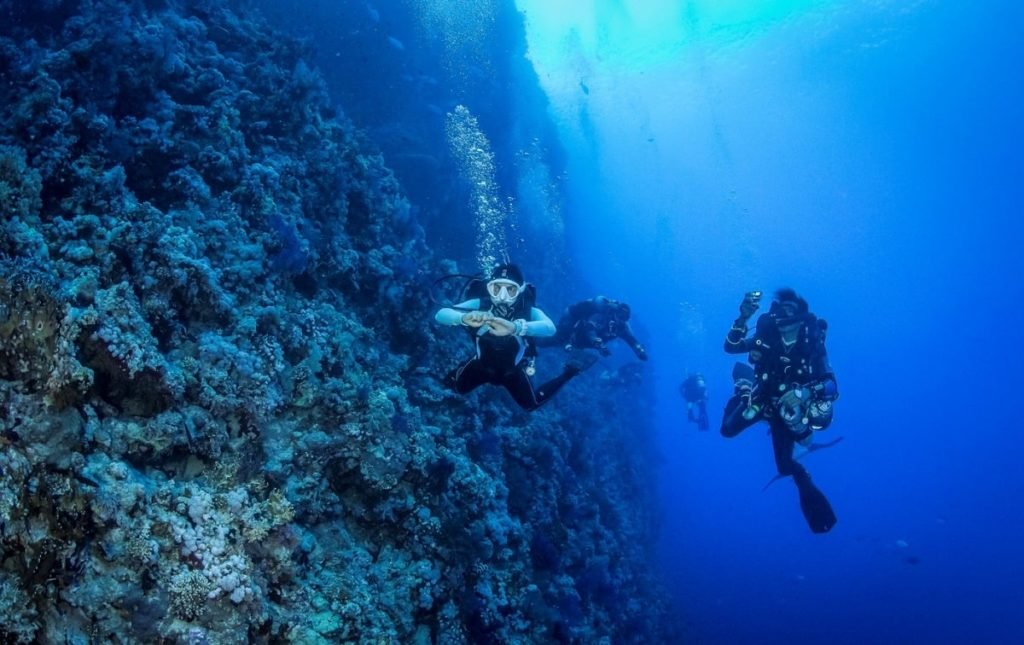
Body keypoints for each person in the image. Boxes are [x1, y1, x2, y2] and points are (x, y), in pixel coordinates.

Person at [720, 289, 840, 533]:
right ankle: (742, 389)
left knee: (785, 466)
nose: (781, 315)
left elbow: (831, 386)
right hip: (762, 398)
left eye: (788, 310)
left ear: (801, 316)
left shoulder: (812, 345)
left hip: (785, 410)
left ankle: (804, 481)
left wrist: (804, 393)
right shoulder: (767, 335)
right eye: (778, 309)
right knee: (727, 430)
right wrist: (743, 318)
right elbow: (730, 347)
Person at [434, 263, 585, 411]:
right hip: (480, 365)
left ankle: (567, 374)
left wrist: (516, 327)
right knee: (457, 388)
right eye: (496, 289)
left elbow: (550, 328)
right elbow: (441, 314)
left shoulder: (527, 311)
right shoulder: (481, 304)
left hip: (512, 373)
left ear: (520, 290)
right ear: (489, 288)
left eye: (511, 290)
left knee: (531, 405)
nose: (502, 297)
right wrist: (464, 318)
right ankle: (460, 369)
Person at [548, 296, 648, 361]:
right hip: (574, 334)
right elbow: (589, 328)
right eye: (620, 316)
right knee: (549, 339)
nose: (620, 320)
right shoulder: (602, 315)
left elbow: (631, 340)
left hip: (582, 343)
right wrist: (598, 344)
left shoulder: (622, 327)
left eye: (624, 318)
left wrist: (639, 351)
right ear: (615, 312)